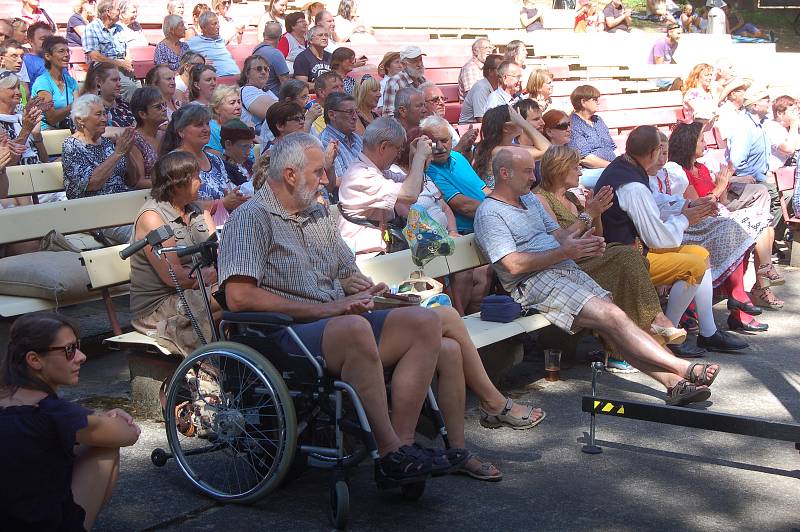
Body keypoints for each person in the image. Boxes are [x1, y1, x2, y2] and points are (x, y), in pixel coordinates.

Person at [220, 132, 515, 484]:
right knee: (356, 326)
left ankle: (403, 447)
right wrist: (326, 310)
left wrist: (363, 289)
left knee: (424, 320)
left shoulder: (317, 214)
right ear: (290, 175)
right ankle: (388, 447)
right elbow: (238, 298)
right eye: (319, 172)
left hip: (333, 325)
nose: (326, 180)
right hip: (283, 335)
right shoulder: (250, 218)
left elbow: (345, 271)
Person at [475, 146, 723, 405]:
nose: (532, 177)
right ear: (504, 173)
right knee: (613, 316)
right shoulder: (490, 213)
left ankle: (673, 384)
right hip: (533, 282)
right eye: (527, 171)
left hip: (562, 269)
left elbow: (562, 236)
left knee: (613, 322)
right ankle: (682, 368)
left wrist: (585, 229)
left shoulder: (527, 201)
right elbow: (512, 265)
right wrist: (564, 252)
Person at [593, 125, 748, 354]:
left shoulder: (626, 167)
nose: (662, 159)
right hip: (622, 260)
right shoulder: (632, 185)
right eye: (660, 152)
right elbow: (658, 239)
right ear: (654, 151)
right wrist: (686, 219)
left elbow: (654, 201)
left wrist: (689, 205)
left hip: (631, 251)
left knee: (700, 254)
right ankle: (667, 337)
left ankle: (708, 332)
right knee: (693, 265)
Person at [535, 145, 688, 363]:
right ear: (560, 169)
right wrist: (590, 213)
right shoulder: (541, 199)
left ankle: (633, 342)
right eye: (575, 167)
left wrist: (595, 214)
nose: (580, 172)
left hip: (590, 258)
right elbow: (560, 239)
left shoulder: (571, 196)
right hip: (568, 266)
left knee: (634, 259)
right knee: (627, 258)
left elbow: (598, 234)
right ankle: (653, 326)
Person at [0, 313, 140, 531]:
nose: (82, 356)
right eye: (69, 350)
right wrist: (107, 419)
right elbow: (127, 434)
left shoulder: (9, 399)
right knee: (104, 447)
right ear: (34, 360)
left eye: (78, 346)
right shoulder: (50, 413)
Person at [666, 122, 779, 319]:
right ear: (688, 144)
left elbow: (721, 201)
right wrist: (721, 186)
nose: (706, 145)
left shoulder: (701, 168)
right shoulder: (680, 172)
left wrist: (724, 186)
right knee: (742, 231)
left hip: (717, 216)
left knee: (764, 227)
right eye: (701, 140)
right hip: (698, 226)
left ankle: (756, 280)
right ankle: (740, 301)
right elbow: (698, 207)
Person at [130, 151, 220, 356]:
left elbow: (218, 254)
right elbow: (174, 277)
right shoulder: (153, 218)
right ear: (178, 184)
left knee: (239, 295)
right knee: (232, 297)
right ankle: (212, 362)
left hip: (199, 289)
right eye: (196, 177)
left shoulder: (198, 210)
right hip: (159, 305)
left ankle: (231, 360)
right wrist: (205, 276)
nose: (201, 181)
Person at [337, 116, 428, 255]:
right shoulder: (362, 176)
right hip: (362, 259)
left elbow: (414, 187)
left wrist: (413, 159)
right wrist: (420, 158)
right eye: (398, 149)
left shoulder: (376, 170)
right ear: (383, 146)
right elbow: (411, 194)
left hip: (380, 254)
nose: (398, 154)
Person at [63, 94, 137, 242]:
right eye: (98, 114)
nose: (105, 118)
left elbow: (132, 180)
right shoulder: (71, 146)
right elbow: (92, 183)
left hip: (124, 207)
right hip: (97, 215)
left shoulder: (107, 143)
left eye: (104, 113)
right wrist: (118, 154)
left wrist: (128, 154)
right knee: (144, 235)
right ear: (80, 120)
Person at [159, 104, 247, 223]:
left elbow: (227, 191)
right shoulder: (173, 163)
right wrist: (221, 204)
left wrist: (234, 197)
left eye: (207, 124)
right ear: (181, 132)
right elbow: (178, 204)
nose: (206, 129)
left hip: (225, 222)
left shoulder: (215, 159)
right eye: (199, 125)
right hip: (195, 227)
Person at [425, 116, 491, 235]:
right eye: (434, 142)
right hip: (468, 233)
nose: (439, 147)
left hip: (488, 220)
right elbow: (464, 206)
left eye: (444, 141)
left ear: (451, 139)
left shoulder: (457, 157)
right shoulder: (428, 170)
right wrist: (502, 210)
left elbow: (484, 190)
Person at [728, 84, 782, 228]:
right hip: (743, 180)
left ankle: (769, 237)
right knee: (776, 195)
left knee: (783, 192)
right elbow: (738, 163)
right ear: (755, 105)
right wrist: (763, 177)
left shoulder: (759, 125)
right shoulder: (744, 127)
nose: (769, 103)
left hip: (758, 176)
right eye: (766, 99)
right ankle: (764, 236)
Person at [472, 105, 550, 186]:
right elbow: (548, 151)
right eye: (516, 118)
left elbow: (548, 150)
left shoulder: (505, 146)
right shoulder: (498, 151)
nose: (520, 119)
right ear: (506, 127)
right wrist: (524, 123)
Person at [83, 0, 140, 102]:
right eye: (118, 10)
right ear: (108, 12)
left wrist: (127, 60)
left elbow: (126, 48)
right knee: (130, 88)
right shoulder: (91, 28)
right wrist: (120, 64)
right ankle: (132, 116)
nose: (120, 12)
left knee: (140, 90)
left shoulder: (119, 28)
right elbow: (95, 56)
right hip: (103, 71)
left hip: (124, 68)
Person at [568, 84, 617, 188]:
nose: (597, 102)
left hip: (610, 166)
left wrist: (621, 162)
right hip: (587, 171)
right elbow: (585, 159)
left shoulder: (598, 120)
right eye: (594, 99)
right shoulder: (573, 123)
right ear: (583, 102)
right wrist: (613, 166)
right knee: (619, 176)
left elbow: (612, 147)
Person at [31, 36, 79, 131]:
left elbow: (79, 111)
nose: (67, 55)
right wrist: (76, 104)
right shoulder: (43, 82)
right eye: (61, 51)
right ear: (48, 56)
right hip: (48, 133)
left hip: (69, 129)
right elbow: (52, 118)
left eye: (67, 51)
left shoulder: (71, 81)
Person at [420, 81, 479, 156]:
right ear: (423, 105)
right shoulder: (424, 129)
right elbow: (438, 158)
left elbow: (464, 160)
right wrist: (460, 146)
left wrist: (467, 147)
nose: (441, 103)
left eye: (443, 99)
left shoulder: (444, 123)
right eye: (435, 100)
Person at [0, 73, 45, 166]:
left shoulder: (24, 118)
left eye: (18, 87)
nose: (18, 92)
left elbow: (45, 160)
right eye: (12, 88)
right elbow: (9, 164)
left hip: (38, 171)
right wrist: (26, 130)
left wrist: (37, 136)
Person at [319, 91, 362, 183]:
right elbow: (336, 182)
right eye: (349, 112)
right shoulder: (326, 142)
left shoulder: (357, 138)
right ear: (331, 115)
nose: (355, 117)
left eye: (356, 112)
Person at [129, 86, 166, 189]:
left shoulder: (164, 135)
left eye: (164, 105)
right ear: (142, 114)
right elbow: (138, 182)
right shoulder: (134, 140)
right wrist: (170, 185)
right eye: (158, 107)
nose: (164, 109)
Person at [80, 62, 136, 127]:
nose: (119, 84)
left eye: (119, 80)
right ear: (99, 82)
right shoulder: (87, 109)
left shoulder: (125, 106)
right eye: (114, 80)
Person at [186, 12, 240, 77]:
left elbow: (229, 39)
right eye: (214, 24)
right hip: (219, 79)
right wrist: (199, 63)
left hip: (237, 76)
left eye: (218, 23)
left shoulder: (220, 40)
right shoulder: (194, 42)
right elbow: (183, 59)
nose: (218, 26)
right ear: (204, 27)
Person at [381, 46, 427, 119]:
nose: (419, 64)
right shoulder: (394, 83)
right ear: (403, 64)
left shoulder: (423, 80)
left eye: (420, 60)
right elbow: (388, 116)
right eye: (414, 61)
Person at [238, 55, 278, 136]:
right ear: (247, 73)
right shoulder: (247, 90)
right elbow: (277, 114)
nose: (263, 72)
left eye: (266, 69)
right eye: (259, 69)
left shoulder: (266, 90)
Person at [458, 54, 502, 124]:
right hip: (470, 130)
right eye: (500, 68)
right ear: (490, 71)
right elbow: (481, 119)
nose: (504, 71)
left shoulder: (498, 87)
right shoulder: (481, 88)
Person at [765, 95, 800, 173]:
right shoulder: (772, 128)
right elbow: (788, 149)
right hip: (775, 175)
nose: (796, 113)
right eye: (792, 111)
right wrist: (794, 125)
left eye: (797, 110)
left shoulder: (788, 127)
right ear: (780, 113)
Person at [254, 21, 291, 96]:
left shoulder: (256, 49)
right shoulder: (276, 54)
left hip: (257, 95)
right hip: (273, 99)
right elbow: (285, 83)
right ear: (280, 37)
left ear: (264, 34)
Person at [206, 84, 242, 156]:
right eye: (232, 103)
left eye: (239, 102)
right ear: (217, 108)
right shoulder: (210, 130)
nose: (238, 106)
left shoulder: (239, 127)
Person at [292, 25, 332, 89]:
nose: (324, 38)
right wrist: (325, 86)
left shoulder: (331, 57)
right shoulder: (302, 58)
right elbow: (301, 85)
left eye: (326, 35)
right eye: (320, 35)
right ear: (310, 40)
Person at [220, 118, 255, 187]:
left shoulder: (249, 163)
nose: (248, 152)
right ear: (228, 144)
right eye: (244, 147)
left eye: (250, 146)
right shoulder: (223, 169)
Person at [308, 71, 343, 135]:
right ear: (321, 92)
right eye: (335, 87)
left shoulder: (346, 110)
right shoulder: (309, 113)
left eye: (342, 86)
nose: (341, 91)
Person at [22, 21, 52, 88]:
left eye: (50, 38)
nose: (48, 42)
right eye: (43, 39)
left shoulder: (56, 59)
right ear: (31, 41)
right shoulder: (26, 61)